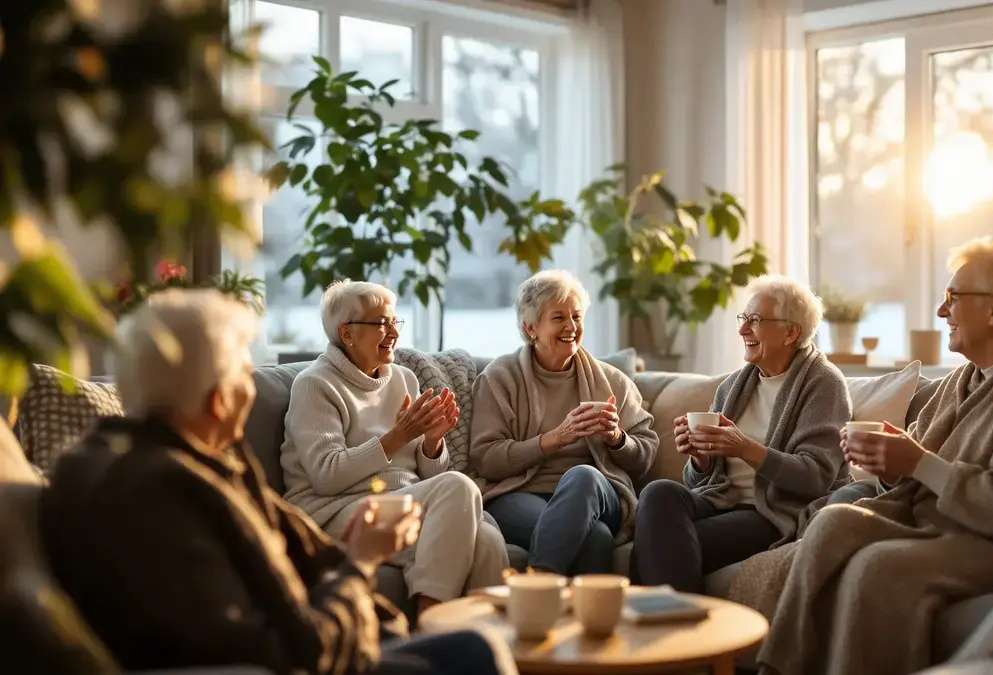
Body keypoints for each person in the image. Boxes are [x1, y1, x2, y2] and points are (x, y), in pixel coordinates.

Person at [39, 289, 513, 675]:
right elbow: (296, 645)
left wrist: (385, 624)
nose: (254, 388)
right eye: (245, 375)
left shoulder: (209, 462)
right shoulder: (163, 488)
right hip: (308, 652)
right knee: (475, 656)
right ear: (217, 400)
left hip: (327, 633)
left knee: (482, 567)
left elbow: (305, 550)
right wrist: (364, 561)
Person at [729, 237, 993, 675]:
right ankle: (779, 668)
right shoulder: (962, 379)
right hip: (935, 522)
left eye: (952, 298)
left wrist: (914, 461)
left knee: (878, 566)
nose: (941, 312)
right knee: (836, 519)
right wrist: (887, 463)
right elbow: (915, 462)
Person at [281, 281, 506, 615]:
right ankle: (431, 624)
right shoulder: (315, 385)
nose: (393, 333)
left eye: (394, 322)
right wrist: (399, 435)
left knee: (487, 542)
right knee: (459, 485)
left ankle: (485, 646)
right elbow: (327, 475)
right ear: (347, 334)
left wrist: (432, 443)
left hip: (400, 501)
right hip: (335, 509)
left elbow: (425, 474)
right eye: (381, 324)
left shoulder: (404, 378)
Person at [631, 275, 852, 593]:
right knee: (658, 492)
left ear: (790, 332)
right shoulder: (733, 387)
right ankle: (677, 621)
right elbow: (699, 483)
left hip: (773, 511)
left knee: (658, 542)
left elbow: (815, 476)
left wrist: (744, 447)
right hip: (721, 501)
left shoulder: (824, 384)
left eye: (755, 320)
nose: (742, 329)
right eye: (743, 318)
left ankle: (673, 629)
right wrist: (701, 458)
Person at [469, 270, 658, 575]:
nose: (571, 326)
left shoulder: (613, 382)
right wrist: (555, 438)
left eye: (577, 316)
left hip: (598, 495)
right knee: (596, 539)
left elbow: (646, 455)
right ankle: (586, 620)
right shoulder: (500, 378)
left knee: (583, 475)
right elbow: (487, 459)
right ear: (531, 328)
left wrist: (616, 437)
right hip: (520, 493)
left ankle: (535, 586)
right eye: (558, 318)